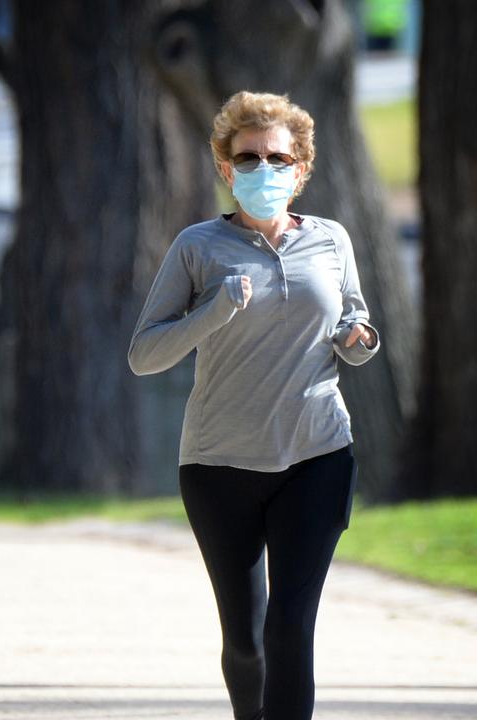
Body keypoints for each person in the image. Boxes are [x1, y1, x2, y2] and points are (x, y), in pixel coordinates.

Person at [128, 91, 379, 720]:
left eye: (276, 157)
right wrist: (213, 311)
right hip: (220, 466)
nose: (262, 169)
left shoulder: (331, 240)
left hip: (317, 454)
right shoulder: (198, 247)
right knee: (246, 641)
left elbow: (356, 326)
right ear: (224, 167)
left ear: (300, 168)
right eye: (248, 158)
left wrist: (359, 340)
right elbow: (144, 354)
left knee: (291, 627)